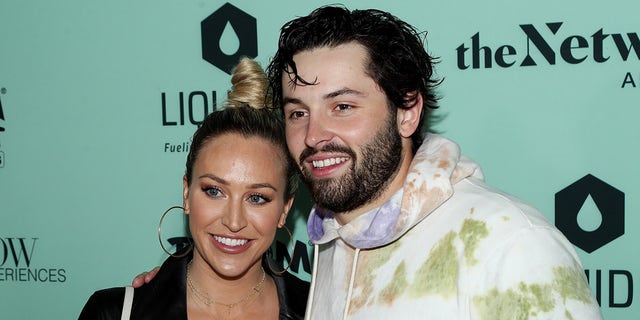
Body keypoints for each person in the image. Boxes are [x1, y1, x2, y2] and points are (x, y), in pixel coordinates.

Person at [135, 5, 603, 319]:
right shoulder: (334, 248)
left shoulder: (510, 245)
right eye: (299, 112)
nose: (315, 136)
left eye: (342, 106)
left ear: (407, 111)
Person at [79, 57, 307, 320]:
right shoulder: (113, 313)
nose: (234, 221)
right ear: (187, 193)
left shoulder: (322, 310)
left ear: (284, 209)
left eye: (257, 198)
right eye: (214, 191)